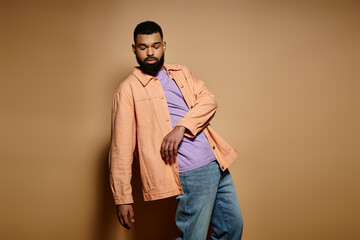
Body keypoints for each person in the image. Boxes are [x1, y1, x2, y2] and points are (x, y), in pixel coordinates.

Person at [109, 21, 243, 240]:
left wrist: (181, 127)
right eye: (143, 47)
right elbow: (120, 149)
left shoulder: (180, 73)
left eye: (156, 45)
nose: (150, 52)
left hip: (216, 160)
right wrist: (122, 197)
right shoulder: (127, 90)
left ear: (164, 46)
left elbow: (209, 101)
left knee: (232, 228)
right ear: (134, 49)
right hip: (190, 172)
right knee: (194, 236)